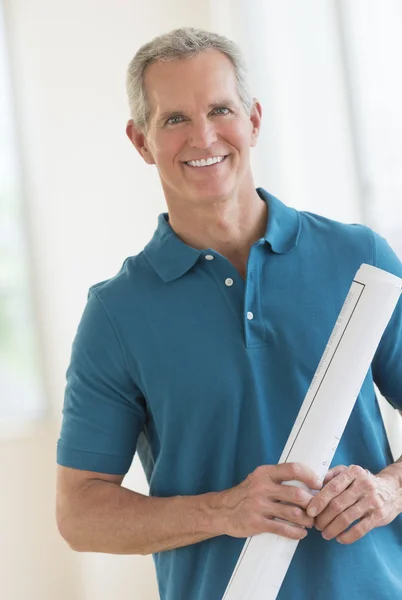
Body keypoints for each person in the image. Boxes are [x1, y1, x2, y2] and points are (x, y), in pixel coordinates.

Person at [56, 27, 402, 600]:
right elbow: (80, 513)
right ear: (140, 140)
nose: (204, 135)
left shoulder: (359, 259)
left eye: (220, 109)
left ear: (254, 120)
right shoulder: (116, 315)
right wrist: (224, 511)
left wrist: (389, 490)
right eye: (174, 119)